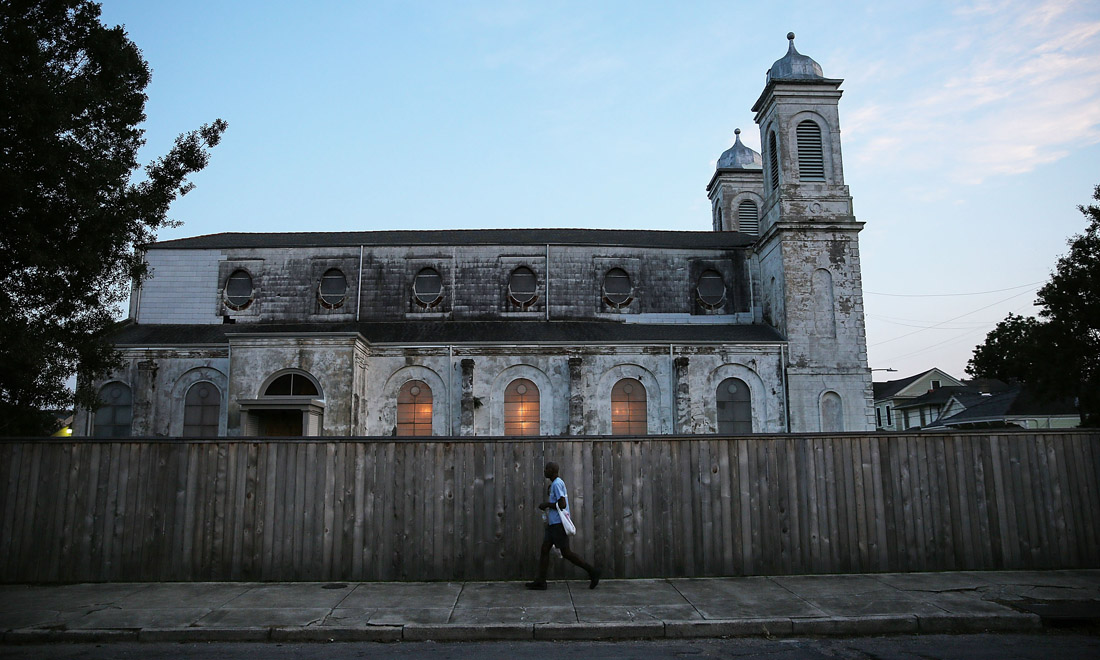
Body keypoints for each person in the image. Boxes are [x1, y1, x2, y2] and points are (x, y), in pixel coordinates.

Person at [526, 461, 601, 590]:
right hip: (552, 524)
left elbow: (562, 504)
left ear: (552, 471)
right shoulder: (555, 484)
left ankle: (592, 572)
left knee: (566, 553)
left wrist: (546, 505)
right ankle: (541, 581)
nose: (544, 471)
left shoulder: (557, 484)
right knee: (544, 550)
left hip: (558, 525)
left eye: (547, 469)